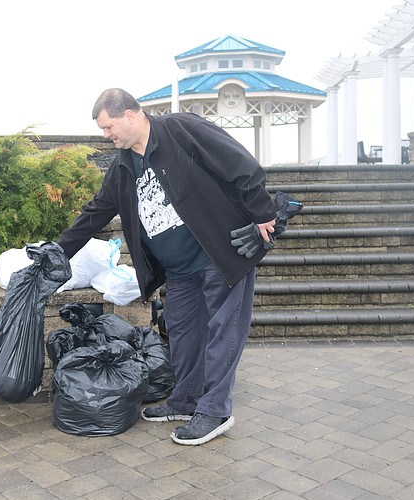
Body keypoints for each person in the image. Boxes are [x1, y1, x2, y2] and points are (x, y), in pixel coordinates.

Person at [57, 88, 278, 446]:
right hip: (178, 269)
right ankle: (186, 401)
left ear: (130, 115)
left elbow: (239, 162)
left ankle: (216, 411)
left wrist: (263, 212)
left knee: (223, 331)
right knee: (183, 332)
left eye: (108, 126)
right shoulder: (124, 167)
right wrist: (58, 251)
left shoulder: (181, 130)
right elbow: (95, 212)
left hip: (218, 255)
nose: (106, 135)